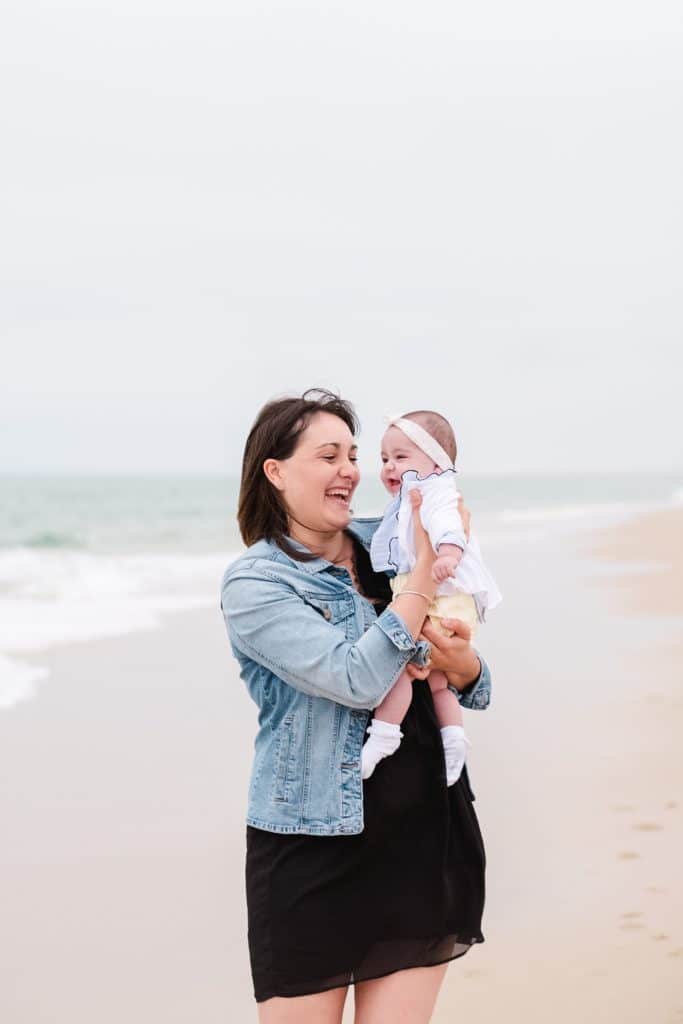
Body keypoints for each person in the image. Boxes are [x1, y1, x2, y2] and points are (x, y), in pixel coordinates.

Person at [220, 388, 492, 1024]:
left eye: (352, 454)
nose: (350, 470)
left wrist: (463, 663)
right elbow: (356, 679)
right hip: (312, 851)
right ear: (277, 471)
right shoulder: (256, 584)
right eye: (328, 455)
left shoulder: (389, 546)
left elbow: (472, 676)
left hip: (422, 834)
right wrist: (425, 572)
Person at [361, 409, 502, 786]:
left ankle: (385, 733)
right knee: (437, 681)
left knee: (398, 665)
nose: (390, 467)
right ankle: (453, 736)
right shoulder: (406, 502)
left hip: (442, 600)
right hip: (439, 599)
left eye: (401, 457)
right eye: (384, 458)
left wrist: (448, 554)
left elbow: (448, 524)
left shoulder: (436, 492)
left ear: (436, 461)